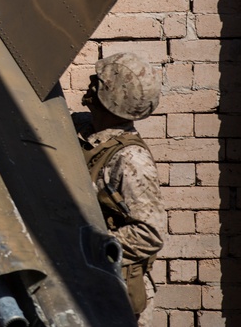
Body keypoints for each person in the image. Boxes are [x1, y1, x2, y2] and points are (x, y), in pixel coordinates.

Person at [73, 52, 167, 326]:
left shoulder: (130, 160)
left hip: (116, 294)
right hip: (89, 286)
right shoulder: (85, 130)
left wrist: (86, 246)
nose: (90, 84)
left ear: (109, 95)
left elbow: (149, 234)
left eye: (97, 81)